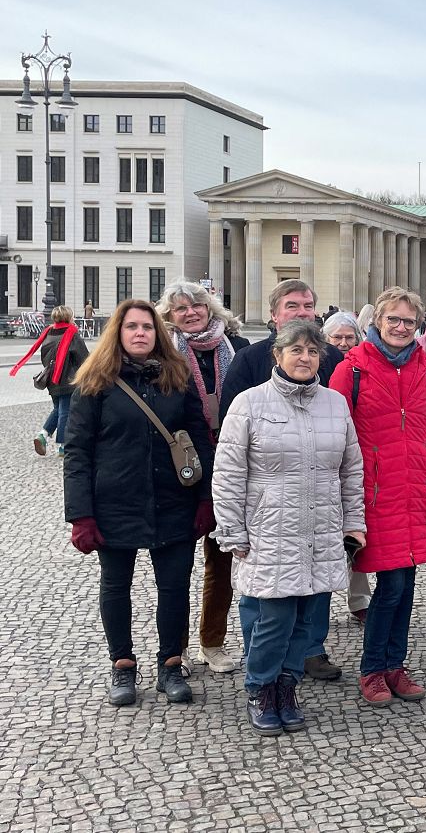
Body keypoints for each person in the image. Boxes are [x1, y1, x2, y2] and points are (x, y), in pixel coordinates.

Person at [212, 320, 365, 735]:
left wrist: (354, 522)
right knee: (274, 619)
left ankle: (287, 684)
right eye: (295, 350)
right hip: (270, 530)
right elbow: (227, 473)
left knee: (307, 619)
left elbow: (352, 470)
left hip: (321, 529)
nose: (305, 357)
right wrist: (232, 531)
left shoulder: (334, 404)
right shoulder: (249, 403)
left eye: (313, 351)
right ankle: (261, 687)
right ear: (277, 355)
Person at [63, 299, 215, 706]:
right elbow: (77, 451)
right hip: (115, 501)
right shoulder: (95, 381)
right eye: (131, 326)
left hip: (173, 500)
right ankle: (123, 665)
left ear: (158, 333)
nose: (140, 333)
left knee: (174, 586)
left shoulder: (177, 377)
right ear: (119, 332)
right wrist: (81, 515)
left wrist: (205, 498)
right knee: (115, 586)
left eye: (147, 326)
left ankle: (170, 664)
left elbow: (199, 439)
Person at [329, 286, 426, 707]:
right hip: (374, 494)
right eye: (392, 320)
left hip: (417, 493)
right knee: (394, 581)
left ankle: (393, 665)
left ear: (418, 324)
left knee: (406, 582)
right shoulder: (352, 371)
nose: (400, 328)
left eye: (408, 321)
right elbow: (336, 438)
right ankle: (374, 668)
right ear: (377, 323)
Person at [219, 279, 346, 682]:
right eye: (293, 305)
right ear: (274, 315)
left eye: (309, 305)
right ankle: (263, 675)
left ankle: (307, 654)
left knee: (312, 590)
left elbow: (345, 448)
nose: (303, 312)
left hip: (316, 505)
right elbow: (231, 451)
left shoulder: (331, 367)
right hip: (269, 511)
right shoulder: (249, 365)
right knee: (266, 602)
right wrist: (234, 521)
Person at [155, 280, 252, 676]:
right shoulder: (163, 357)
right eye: (181, 309)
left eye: (197, 305)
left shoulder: (238, 348)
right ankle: (174, 650)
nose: (191, 312)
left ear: (211, 307)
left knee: (222, 560)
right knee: (176, 567)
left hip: (230, 461)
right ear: (170, 316)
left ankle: (212, 641)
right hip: (181, 466)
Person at [320, 311, 374, 624]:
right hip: (324, 463)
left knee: (355, 533)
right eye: (336, 338)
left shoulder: (357, 370)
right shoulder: (315, 365)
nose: (342, 343)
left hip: (355, 461)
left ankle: (359, 599)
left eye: (348, 337)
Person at [13, 304, 89, 458]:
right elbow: (84, 358)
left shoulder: (48, 333)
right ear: (68, 317)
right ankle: (62, 446)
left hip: (52, 379)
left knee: (58, 410)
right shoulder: (72, 333)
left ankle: (43, 434)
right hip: (68, 379)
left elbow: (44, 357)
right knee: (65, 412)